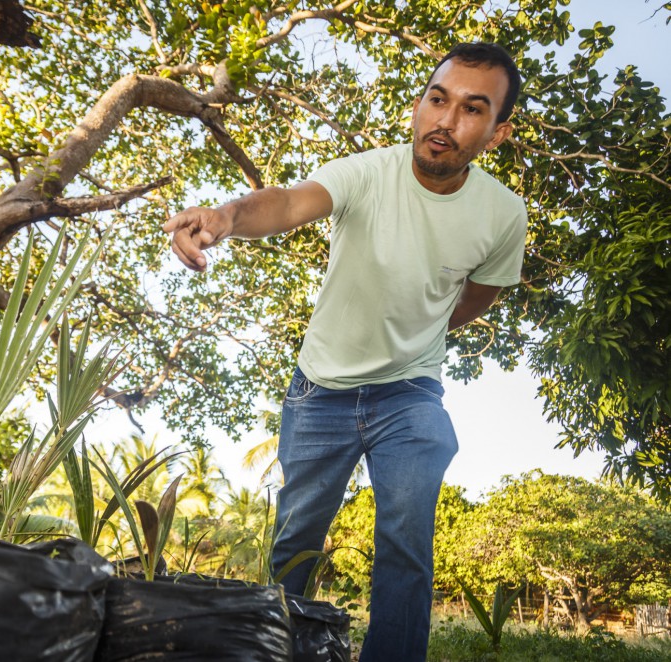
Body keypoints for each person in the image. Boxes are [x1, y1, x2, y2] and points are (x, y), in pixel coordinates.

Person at [163, 42, 527, 661]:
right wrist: (226, 216)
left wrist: (427, 332)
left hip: (410, 393)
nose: (446, 121)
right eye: (437, 100)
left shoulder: (503, 213)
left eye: (472, 109)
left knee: (406, 535)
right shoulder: (368, 172)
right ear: (418, 106)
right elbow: (286, 202)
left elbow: (480, 295)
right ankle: (276, 651)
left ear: (496, 132)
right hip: (319, 393)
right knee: (294, 542)